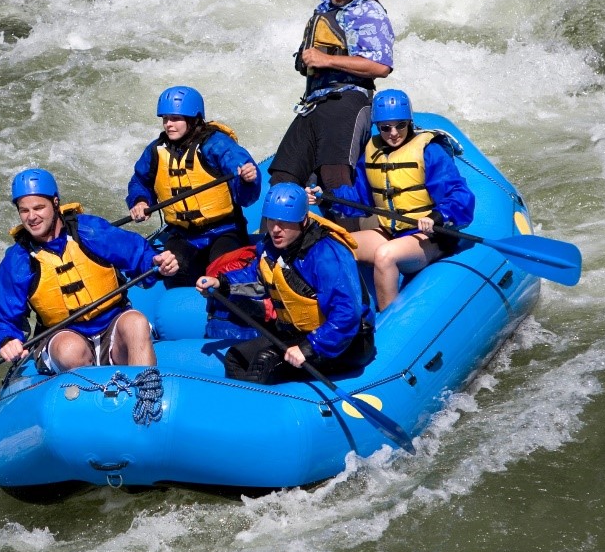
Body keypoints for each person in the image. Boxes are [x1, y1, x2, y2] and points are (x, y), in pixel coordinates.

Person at [0, 168, 179, 372]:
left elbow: (138, 255)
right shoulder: (18, 259)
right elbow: (2, 316)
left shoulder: (90, 231)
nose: (32, 217)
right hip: (62, 335)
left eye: (39, 208)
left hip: (112, 326)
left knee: (137, 322)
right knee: (71, 350)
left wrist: (156, 264)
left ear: (55, 202)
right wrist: (7, 339)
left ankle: (146, 390)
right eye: (24, 210)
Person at [196, 182, 374, 384]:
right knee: (235, 358)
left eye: (284, 223)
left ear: (303, 220)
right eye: (271, 221)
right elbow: (259, 278)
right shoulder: (271, 248)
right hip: (297, 333)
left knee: (265, 363)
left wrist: (310, 347)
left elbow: (347, 313)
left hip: (346, 341)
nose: (276, 230)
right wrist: (222, 282)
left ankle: (261, 411)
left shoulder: (327, 255)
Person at [269, 0, 395, 209]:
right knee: (283, 176)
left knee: (333, 175)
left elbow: (381, 66)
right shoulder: (323, 11)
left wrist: (327, 59)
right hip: (313, 104)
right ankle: (277, 247)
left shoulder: (369, 13)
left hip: (348, 100)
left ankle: (349, 244)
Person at [326, 89, 476, 311]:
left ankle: (388, 321)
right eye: (386, 128)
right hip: (391, 232)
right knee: (335, 246)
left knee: (385, 256)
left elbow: (459, 195)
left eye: (400, 125)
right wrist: (327, 197)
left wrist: (437, 216)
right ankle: (349, 313)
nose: (393, 133)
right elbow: (360, 197)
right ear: (378, 126)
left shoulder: (429, 151)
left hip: (429, 237)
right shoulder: (372, 152)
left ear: (409, 122)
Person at [125, 85, 261, 286]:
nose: (168, 124)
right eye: (165, 119)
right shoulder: (156, 151)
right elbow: (140, 181)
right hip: (183, 235)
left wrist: (247, 179)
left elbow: (246, 194)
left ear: (194, 119)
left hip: (224, 230)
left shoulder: (215, 145)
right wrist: (140, 201)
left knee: (226, 271)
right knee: (173, 271)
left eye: (175, 119)